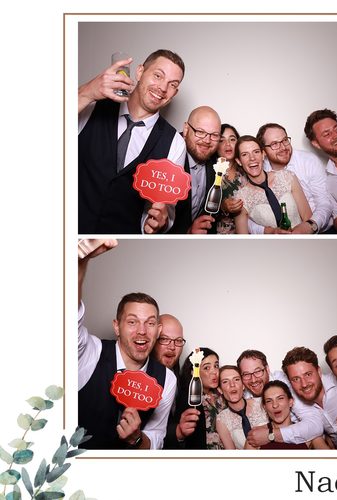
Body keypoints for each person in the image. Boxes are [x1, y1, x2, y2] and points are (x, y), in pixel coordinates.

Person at [77, 240, 176, 449]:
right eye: (132, 322)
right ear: (117, 327)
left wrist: (137, 439)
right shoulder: (92, 352)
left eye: (150, 323)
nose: (142, 331)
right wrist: (78, 268)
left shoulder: (167, 379)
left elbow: (156, 438)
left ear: (158, 330)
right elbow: (68, 325)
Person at [78, 49, 186, 234]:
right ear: (140, 72)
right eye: (158, 76)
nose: (162, 88)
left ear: (174, 93)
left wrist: (156, 222)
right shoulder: (92, 107)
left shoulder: (175, 143)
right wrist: (86, 92)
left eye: (172, 84)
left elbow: (163, 210)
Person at [244, 122, 332, 234]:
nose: (283, 147)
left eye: (285, 140)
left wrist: (311, 225)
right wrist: (267, 231)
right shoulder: (259, 169)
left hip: (320, 230)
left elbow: (324, 202)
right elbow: (247, 215)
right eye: (274, 144)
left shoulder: (308, 161)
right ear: (263, 151)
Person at [237, 349, 326, 447]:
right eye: (246, 374)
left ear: (267, 369)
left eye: (258, 371)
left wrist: (270, 435)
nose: (253, 380)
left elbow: (315, 424)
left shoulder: (285, 383)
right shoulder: (244, 394)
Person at [282, 347, 337, 449]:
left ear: (319, 371)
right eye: (296, 379)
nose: (304, 384)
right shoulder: (299, 407)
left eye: (308, 374)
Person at [231, 136, 312, 234]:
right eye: (245, 154)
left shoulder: (287, 177)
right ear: (239, 161)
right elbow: (243, 240)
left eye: (256, 152)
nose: (252, 158)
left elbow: (308, 219)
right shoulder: (240, 198)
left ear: (263, 154)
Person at [170, 106, 221, 234]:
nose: (207, 141)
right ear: (186, 129)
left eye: (214, 135)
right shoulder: (168, 156)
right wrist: (187, 233)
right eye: (200, 132)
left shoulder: (216, 164)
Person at [166, 347, 225, 449]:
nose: (214, 372)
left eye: (216, 366)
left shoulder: (221, 394)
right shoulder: (188, 400)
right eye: (206, 368)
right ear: (194, 372)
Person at [260, 381, 330, 450]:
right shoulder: (257, 435)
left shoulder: (308, 432)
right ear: (264, 407)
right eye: (269, 401)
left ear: (290, 402)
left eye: (280, 398)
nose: (275, 405)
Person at [216, 365, 268, 450]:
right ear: (220, 390)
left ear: (243, 385)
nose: (232, 385)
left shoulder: (262, 403)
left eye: (236, 379)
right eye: (225, 382)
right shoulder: (222, 419)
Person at [214, 123, 242, 234]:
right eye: (221, 140)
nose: (228, 144)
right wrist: (222, 206)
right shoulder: (209, 171)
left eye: (232, 139)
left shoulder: (246, 169)